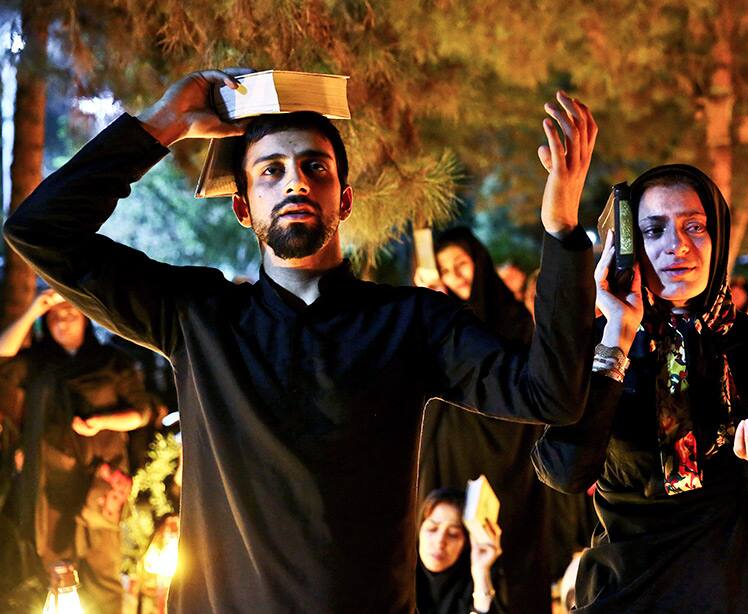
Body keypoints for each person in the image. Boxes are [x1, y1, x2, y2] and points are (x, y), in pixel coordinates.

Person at [4, 69, 598, 613]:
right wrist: (163, 123)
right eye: (271, 170)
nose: (295, 182)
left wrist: (564, 232)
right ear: (242, 206)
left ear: (344, 199)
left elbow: (548, 396)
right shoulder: (197, 317)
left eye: (315, 167)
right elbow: (39, 231)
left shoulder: (411, 322)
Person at [532, 164, 748, 612]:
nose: (676, 245)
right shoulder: (599, 346)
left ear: (717, 237)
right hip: (627, 589)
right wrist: (617, 342)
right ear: (628, 248)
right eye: (653, 230)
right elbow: (564, 473)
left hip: (738, 587)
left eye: (694, 226)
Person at [418, 227, 551, 611]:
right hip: (450, 456)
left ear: (479, 262)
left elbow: (527, 390)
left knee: (506, 546)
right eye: (447, 269)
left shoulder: (512, 319)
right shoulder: (443, 318)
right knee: (444, 537)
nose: (456, 276)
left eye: (462, 264)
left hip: (508, 463)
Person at [0, 289, 154, 612]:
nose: (63, 322)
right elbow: (3, 353)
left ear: (85, 316)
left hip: (98, 484)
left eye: (71, 314)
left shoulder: (112, 361)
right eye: (55, 317)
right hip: (51, 487)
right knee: (54, 577)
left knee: (102, 578)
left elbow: (141, 413)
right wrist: (33, 310)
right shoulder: (39, 362)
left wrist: (102, 422)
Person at [416, 488, 505, 614]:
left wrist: (481, 574)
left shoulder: (476, 580)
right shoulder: (399, 573)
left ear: (467, 542)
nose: (440, 542)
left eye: (453, 534)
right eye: (432, 529)